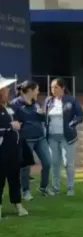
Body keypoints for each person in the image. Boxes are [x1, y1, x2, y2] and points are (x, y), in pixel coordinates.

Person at [10, 80, 52, 200]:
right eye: (37, 89)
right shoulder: (15, 104)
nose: (38, 91)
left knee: (48, 163)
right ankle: (26, 191)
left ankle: (44, 187)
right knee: (25, 167)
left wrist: (42, 114)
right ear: (30, 91)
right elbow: (14, 121)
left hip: (40, 138)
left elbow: (43, 119)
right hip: (26, 139)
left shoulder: (36, 103)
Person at [45, 78, 83, 196]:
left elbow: (80, 115)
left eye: (55, 87)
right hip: (52, 137)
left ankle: (70, 188)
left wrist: (72, 124)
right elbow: (45, 116)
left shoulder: (71, 100)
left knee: (68, 163)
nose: (53, 89)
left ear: (62, 88)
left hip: (67, 137)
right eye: (51, 87)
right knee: (55, 163)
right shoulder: (48, 101)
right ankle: (55, 187)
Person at [0, 76, 29, 219]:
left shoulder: (10, 107)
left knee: (14, 178)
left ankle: (17, 203)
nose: (8, 91)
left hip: (13, 149)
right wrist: (9, 127)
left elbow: (20, 121)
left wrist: (18, 125)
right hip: (1, 150)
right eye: (5, 89)